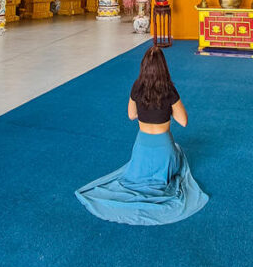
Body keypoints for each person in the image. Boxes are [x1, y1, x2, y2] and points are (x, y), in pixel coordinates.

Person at [75, 44, 208, 226]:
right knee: (178, 153)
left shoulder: (137, 86)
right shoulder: (169, 89)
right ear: (164, 67)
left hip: (141, 149)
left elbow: (131, 115)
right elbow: (183, 121)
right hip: (165, 148)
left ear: (143, 67)